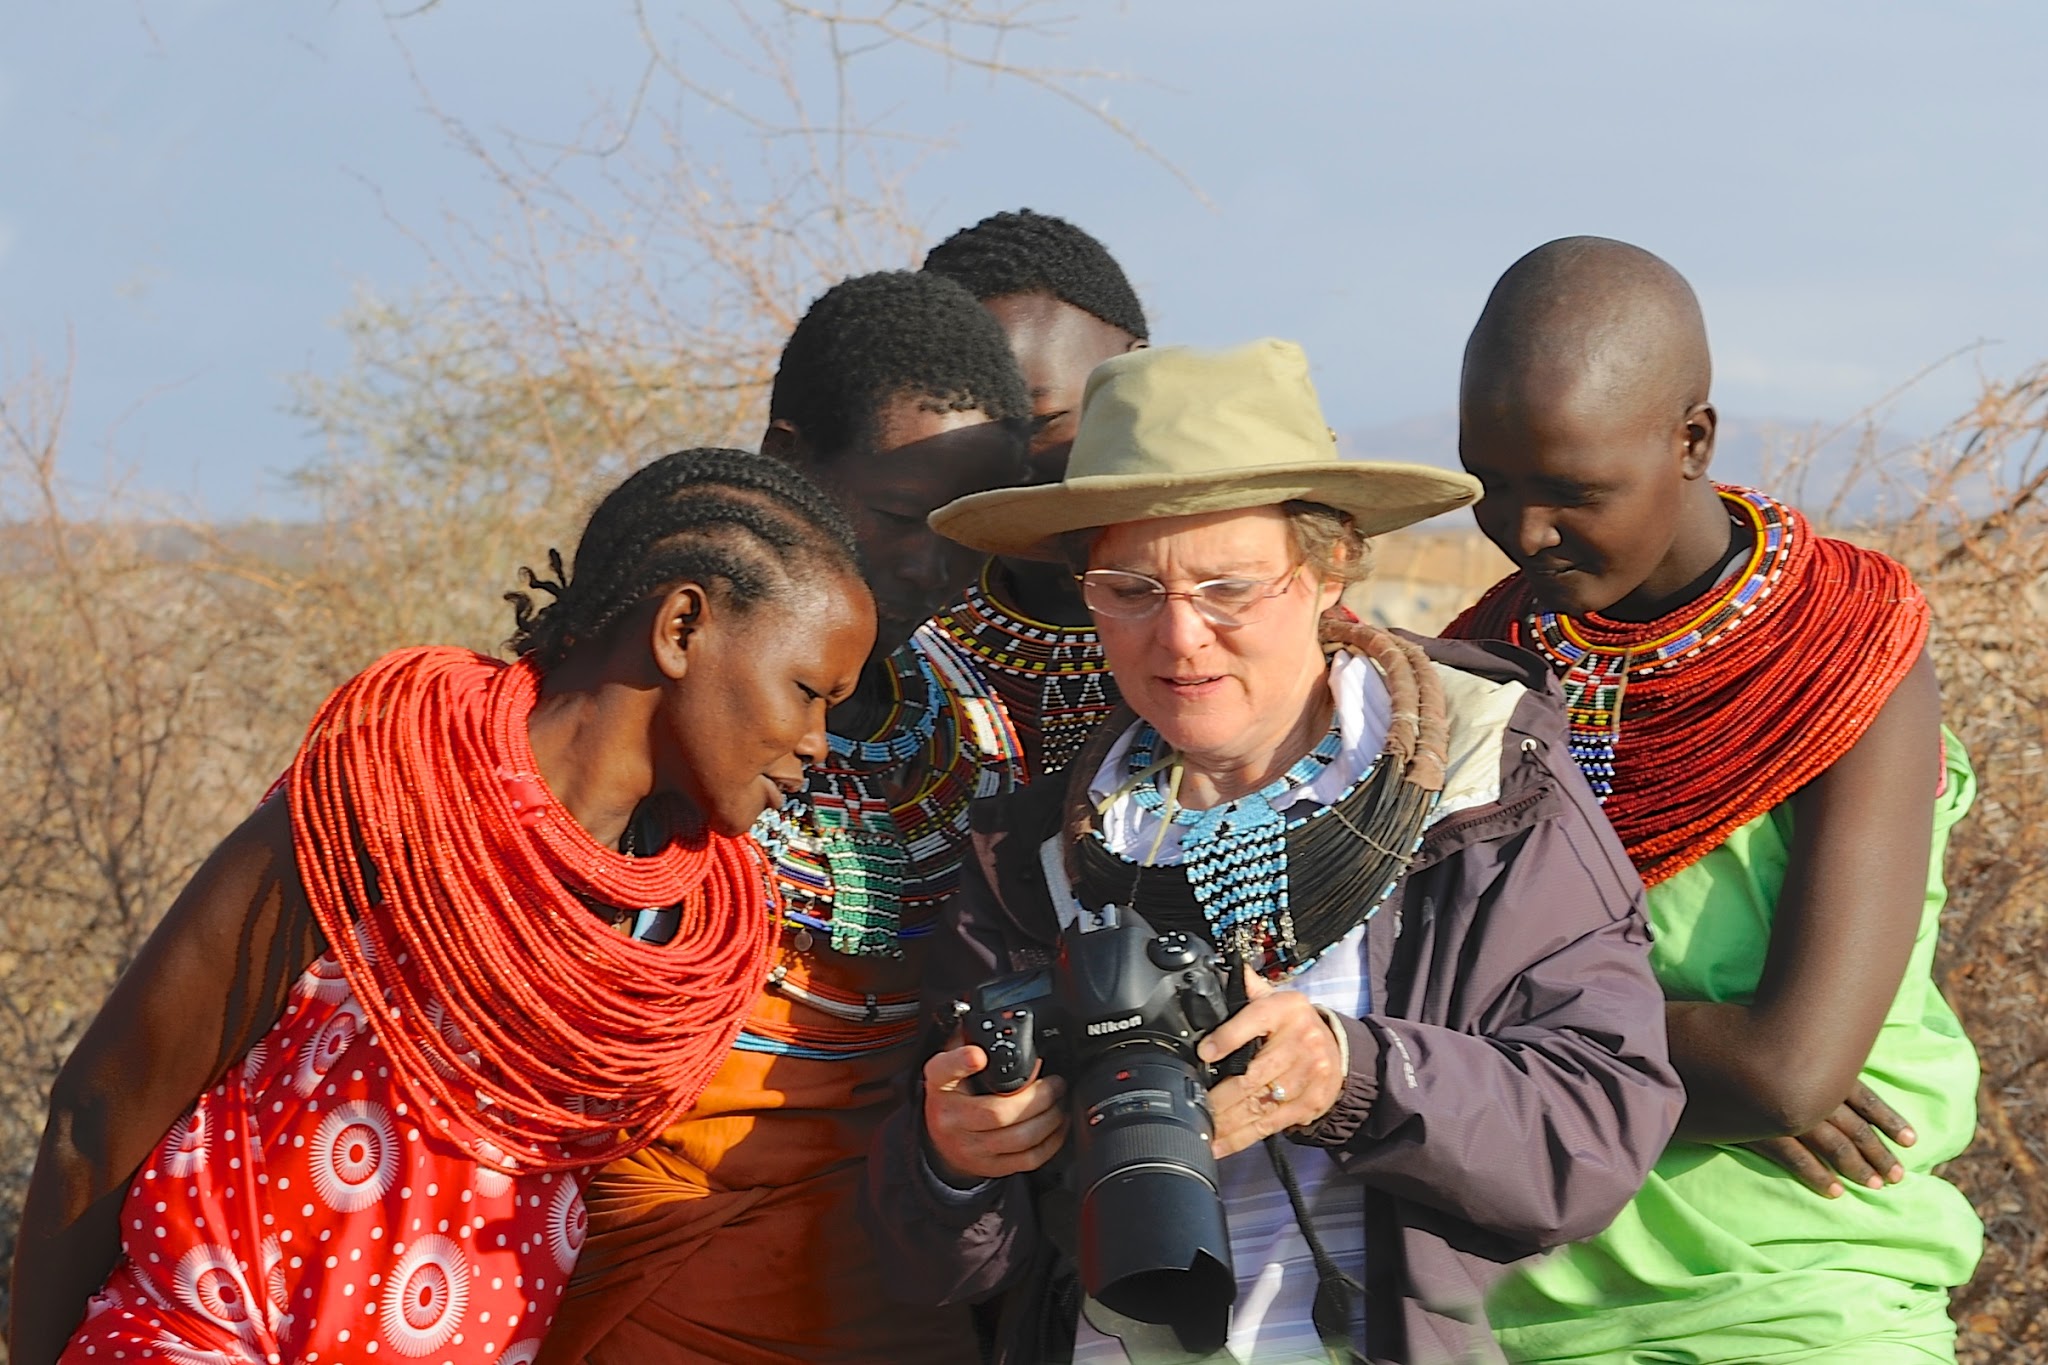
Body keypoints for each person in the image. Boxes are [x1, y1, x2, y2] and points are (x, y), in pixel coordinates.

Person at [864, 339, 1684, 1364]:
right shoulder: (1028, 855)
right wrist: (956, 1159)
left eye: (1226, 588)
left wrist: (1353, 1073)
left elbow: (1596, 1129)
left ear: (1327, 563)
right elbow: (930, 1263)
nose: (1180, 638)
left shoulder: (1487, 786)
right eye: (1128, 589)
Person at [8, 447, 876, 1365]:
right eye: (808, 691)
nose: (820, 742)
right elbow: (97, 1116)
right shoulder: (384, 801)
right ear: (682, 626)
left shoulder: (679, 922)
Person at [1444, 237, 1982, 1364]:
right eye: (1488, 484)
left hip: (1796, 1298)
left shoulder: (1842, 654)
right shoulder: (1470, 668)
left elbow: (1788, 1070)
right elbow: (1389, 1008)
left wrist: (1511, 1048)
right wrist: (1680, 1052)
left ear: (1690, 439)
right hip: (1500, 1302)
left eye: (1571, 491)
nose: (1522, 531)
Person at [542, 270, 1034, 1363]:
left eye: (968, 531)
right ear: (786, 458)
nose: (938, 567)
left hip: (909, 1269)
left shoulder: (978, 727)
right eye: (904, 517)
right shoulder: (653, 703)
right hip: (659, 1271)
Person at [924, 208, 1149, 778]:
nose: (1005, 467)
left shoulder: (1266, 629)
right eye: (969, 435)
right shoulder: (896, 649)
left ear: (1136, 374)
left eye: (1041, 421)